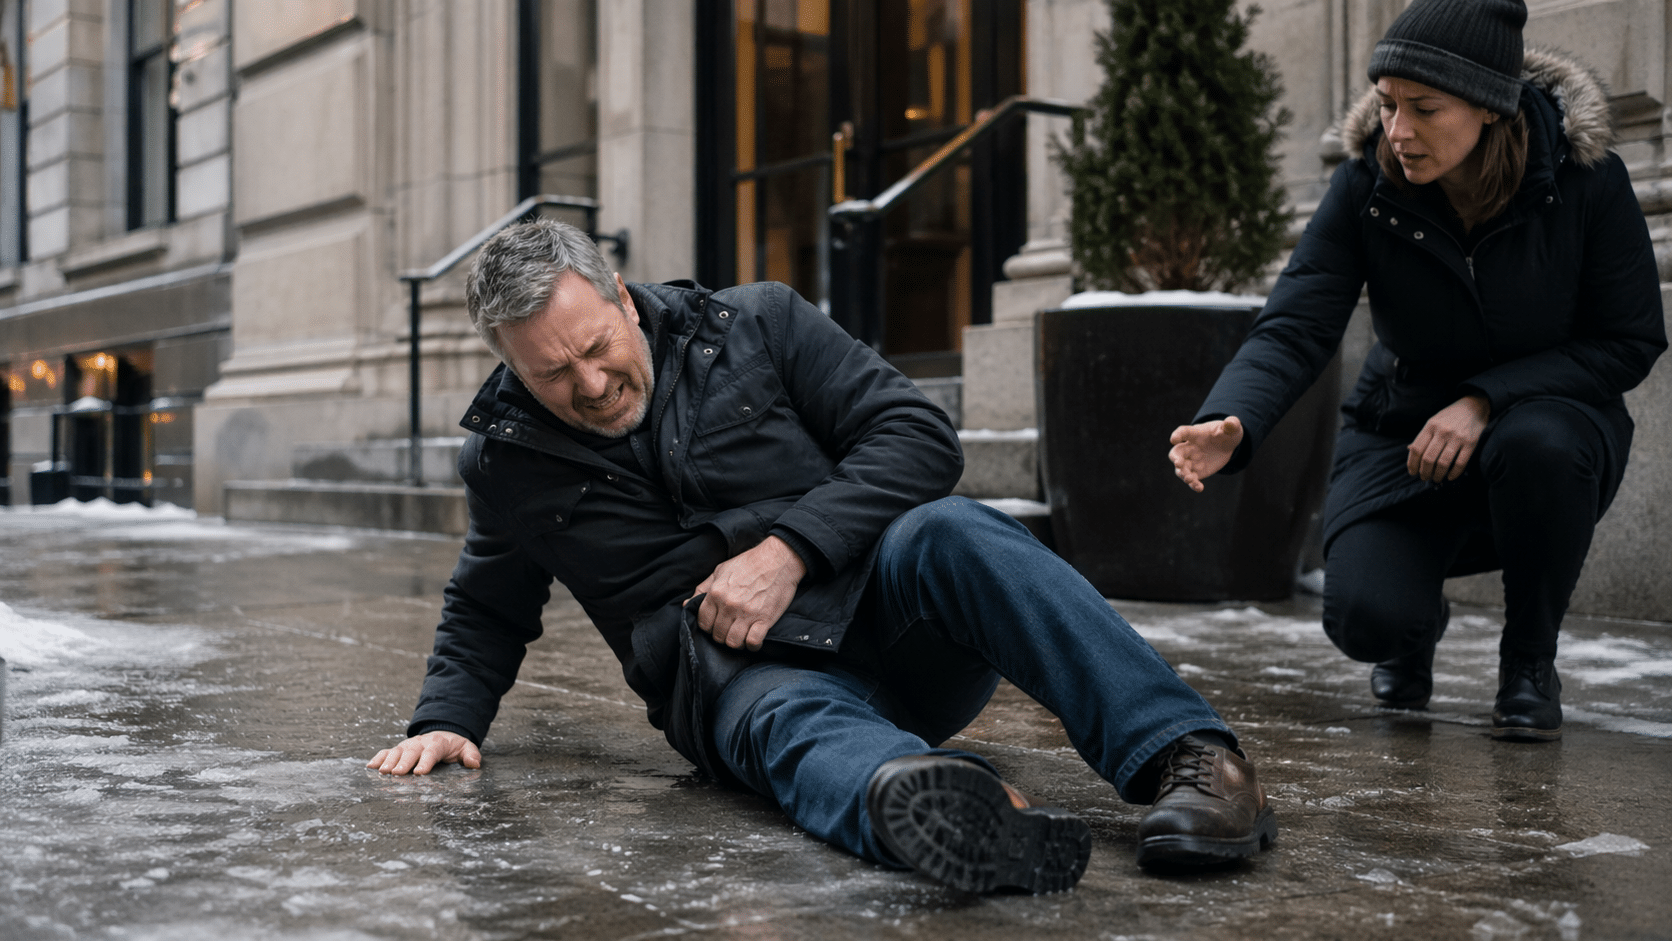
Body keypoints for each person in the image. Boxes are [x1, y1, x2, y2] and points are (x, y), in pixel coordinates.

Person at [367, 219, 1276, 892]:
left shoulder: (757, 323)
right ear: (512, 371)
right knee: (792, 725)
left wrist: (791, 549)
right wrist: (444, 719)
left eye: (598, 349)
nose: (592, 385)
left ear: (619, 293)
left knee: (951, 527)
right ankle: (949, 810)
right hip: (737, 675)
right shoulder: (506, 458)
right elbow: (488, 602)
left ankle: (1190, 756)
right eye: (553, 376)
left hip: (892, 616)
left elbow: (918, 435)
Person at [1169, 0, 1665, 741]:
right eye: (1390, 104)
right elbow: (1299, 319)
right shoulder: (1367, 186)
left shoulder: (1586, 183)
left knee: (1539, 444)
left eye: (1424, 109)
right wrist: (1233, 417)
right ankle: (1415, 620)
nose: (1398, 131)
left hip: (1552, 419)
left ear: (1491, 108)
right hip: (1400, 427)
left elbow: (1629, 339)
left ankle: (1528, 659)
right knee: (1367, 620)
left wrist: (1484, 399)